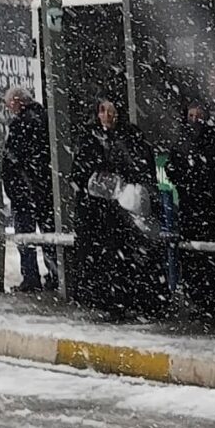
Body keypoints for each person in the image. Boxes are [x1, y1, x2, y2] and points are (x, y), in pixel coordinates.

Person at [72, 94, 159, 317]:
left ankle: (127, 300)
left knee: (125, 256)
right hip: (98, 212)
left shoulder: (130, 137)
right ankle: (108, 300)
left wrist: (122, 185)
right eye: (102, 110)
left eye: (110, 111)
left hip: (123, 211)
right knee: (104, 258)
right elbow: (80, 173)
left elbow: (140, 168)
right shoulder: (90, 137)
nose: (107, 116)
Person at [173, 97, 215, 317]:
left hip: (208, 208)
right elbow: (173, 167)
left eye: (198, 116)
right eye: (191, 116)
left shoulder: (212, 140)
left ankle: (214, 299)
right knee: (193, 256)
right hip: (191, 208)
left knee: (209, 255)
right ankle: (200, 299)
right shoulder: (183, 141)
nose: (194, 120)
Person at [1, 88, 52, 293]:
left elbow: (15, 157)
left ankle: (31, 278)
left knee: (25, 236)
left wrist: (18, 183)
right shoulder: (44, 118)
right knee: (48, 234)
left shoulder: (21, 124)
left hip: (26, 191)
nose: (8, 108)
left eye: (9, 104)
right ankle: (55, 275)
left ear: (17, 102)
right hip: (43, 189)